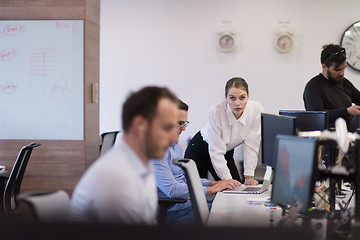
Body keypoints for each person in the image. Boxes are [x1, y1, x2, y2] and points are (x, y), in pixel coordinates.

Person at [70, 86, 179, 225]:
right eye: (166, 128)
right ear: (140, 126)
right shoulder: (117, 178)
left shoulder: (141, 167)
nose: (174, 139)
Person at [150, 99, 241, 224]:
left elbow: (183, 179)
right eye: (179, 123)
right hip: (173, 211)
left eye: (184, 124)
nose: (183, 129)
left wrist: (213, 183)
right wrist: (212, 190)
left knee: (234, 209)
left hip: (188, 204)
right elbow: (172, 190)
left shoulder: (174, 145)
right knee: (231, 219)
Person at [185, 77, 264, 185]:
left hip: (226, 151)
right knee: (198, 191)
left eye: (242, 97)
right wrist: (227, 180)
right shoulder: (216, 112)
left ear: (248, 96)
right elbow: (216, 151)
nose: (237, 103)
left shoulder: (256, 110)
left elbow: (251, 145)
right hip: (200, 149)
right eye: (232, 98)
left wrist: (249, 176)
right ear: (226, 98)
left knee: (237, 187)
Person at [303, 43, 360, 129]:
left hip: (348, 135)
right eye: (337, 70)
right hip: (327, 137)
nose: (342, 73)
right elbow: (316, 116)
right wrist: (347, 111)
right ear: (324, 66)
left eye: (344, 68)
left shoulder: (345, 83)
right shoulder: (313, 86)